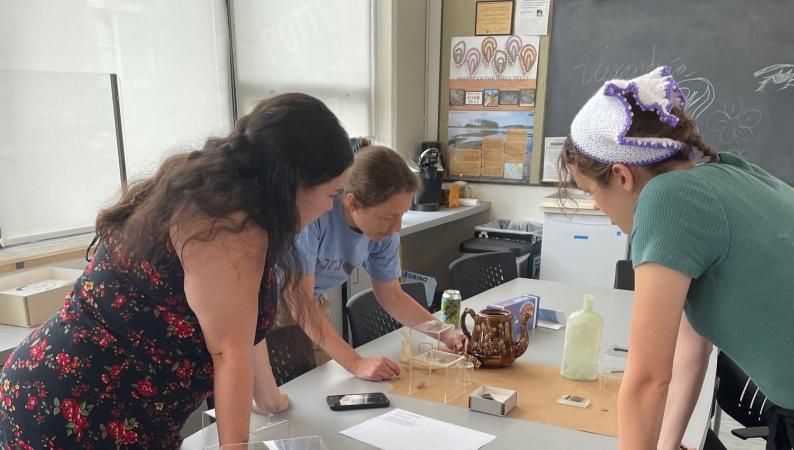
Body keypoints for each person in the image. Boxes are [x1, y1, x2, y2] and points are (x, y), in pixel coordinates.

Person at [0, 93, 354, 448]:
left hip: (77, 394)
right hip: (77, 411)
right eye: (331, 193)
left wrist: (269, 400)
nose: (329, 208)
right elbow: (230, 355)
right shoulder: (227, 226)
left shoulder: (222, 195)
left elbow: (241, 325)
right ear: (292, 183)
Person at [558, 66, 794, 450]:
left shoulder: (665, 199)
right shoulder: (724, 174)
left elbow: (647, 380)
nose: (595, 205)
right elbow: (690, 346)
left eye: (590, 191)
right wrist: (667, 443)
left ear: (622, 176)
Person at [276, 145, 467, 382]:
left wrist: (445, 333)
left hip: (312, 304)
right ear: (353, 203)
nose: (396, 227)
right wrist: (356, 362)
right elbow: (299, 301)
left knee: (323, 386)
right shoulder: (313, 215)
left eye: (402, 215)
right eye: (388, 216)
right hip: (266, 308)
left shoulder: (385, 233)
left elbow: (392, 296)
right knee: (281, 396)